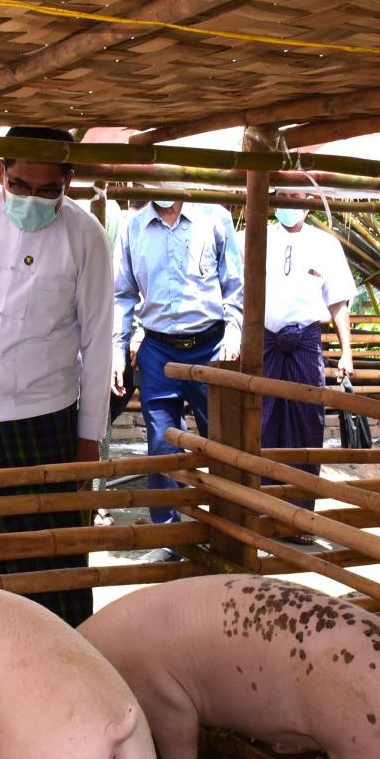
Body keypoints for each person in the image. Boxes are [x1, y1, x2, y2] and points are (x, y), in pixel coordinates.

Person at [0, 125, 113, 626]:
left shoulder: (85, 236)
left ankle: (61, 650)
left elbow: (98, 342)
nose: (32, 199)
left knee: (50, 555)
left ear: (68, 182)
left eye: (48, 190)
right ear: (0, 172)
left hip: (46, 419)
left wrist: (89, 440)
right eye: (20, 186)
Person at [113, 196, 242, 533]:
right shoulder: (133, 227)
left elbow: (235, 286)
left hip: (210, 347)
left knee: (222, 440)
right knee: (161, 444)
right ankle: (167, 533)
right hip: (158, 348)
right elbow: (122, 294)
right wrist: (118, 348)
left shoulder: (214, 217)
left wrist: (234, 335)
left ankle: (227, 528)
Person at [260, 199, 355, 528]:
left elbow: (338, 301)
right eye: (285, 195)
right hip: (265, 342)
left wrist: (346, 351)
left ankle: (300, 518)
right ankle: (264, 512)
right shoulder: (256, 238)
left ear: (309, 203)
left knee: (306, 423)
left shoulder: (325, 244)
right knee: (263, 423)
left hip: (305, 343)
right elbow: (240, 294)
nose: (291, 203)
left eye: (297, 196)